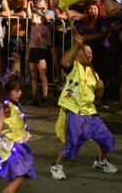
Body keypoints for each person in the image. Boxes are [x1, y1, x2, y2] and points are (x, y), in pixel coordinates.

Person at [50, 28, 117, 180]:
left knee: (107, 139)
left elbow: (98, 96)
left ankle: (101, 161)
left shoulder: (95, 73)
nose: (90, 54)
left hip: (90, 112)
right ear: (78, 54)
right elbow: (63, 62)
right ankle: (57, 165)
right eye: (86, 51)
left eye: (91, 53)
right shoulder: (74, 67)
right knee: (72, 142)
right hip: (74, 111)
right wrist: (76, 45)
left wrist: (101, 88)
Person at [0, 72, 35, 193]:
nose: (19, 93)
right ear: (8, 92)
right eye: (16, 90)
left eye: (20, 90)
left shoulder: (14, 104)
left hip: (20, 143)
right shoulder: (6, 106)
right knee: (21, 175)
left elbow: (14, 75)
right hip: (13, 146)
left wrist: (18, 62)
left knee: (15, 176)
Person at [27, 0, 53, 106]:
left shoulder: (45, 28)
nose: (32, 17)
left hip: (41, 51)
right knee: (34, 75)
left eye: (34, 16)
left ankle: (45, 96)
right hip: (33, 50)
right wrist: (28, 53)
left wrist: (41, 38)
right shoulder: (32, 28)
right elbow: (30, 42)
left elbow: (49, 42)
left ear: (40, 17)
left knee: (42, 74)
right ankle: (34, 97)